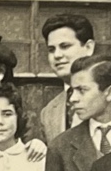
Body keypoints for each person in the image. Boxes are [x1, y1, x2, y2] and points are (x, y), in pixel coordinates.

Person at [38, 14, 96, 142]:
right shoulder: (48, 113)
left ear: (88, 48)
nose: (57, 55)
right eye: (51, 49)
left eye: (65, 46)